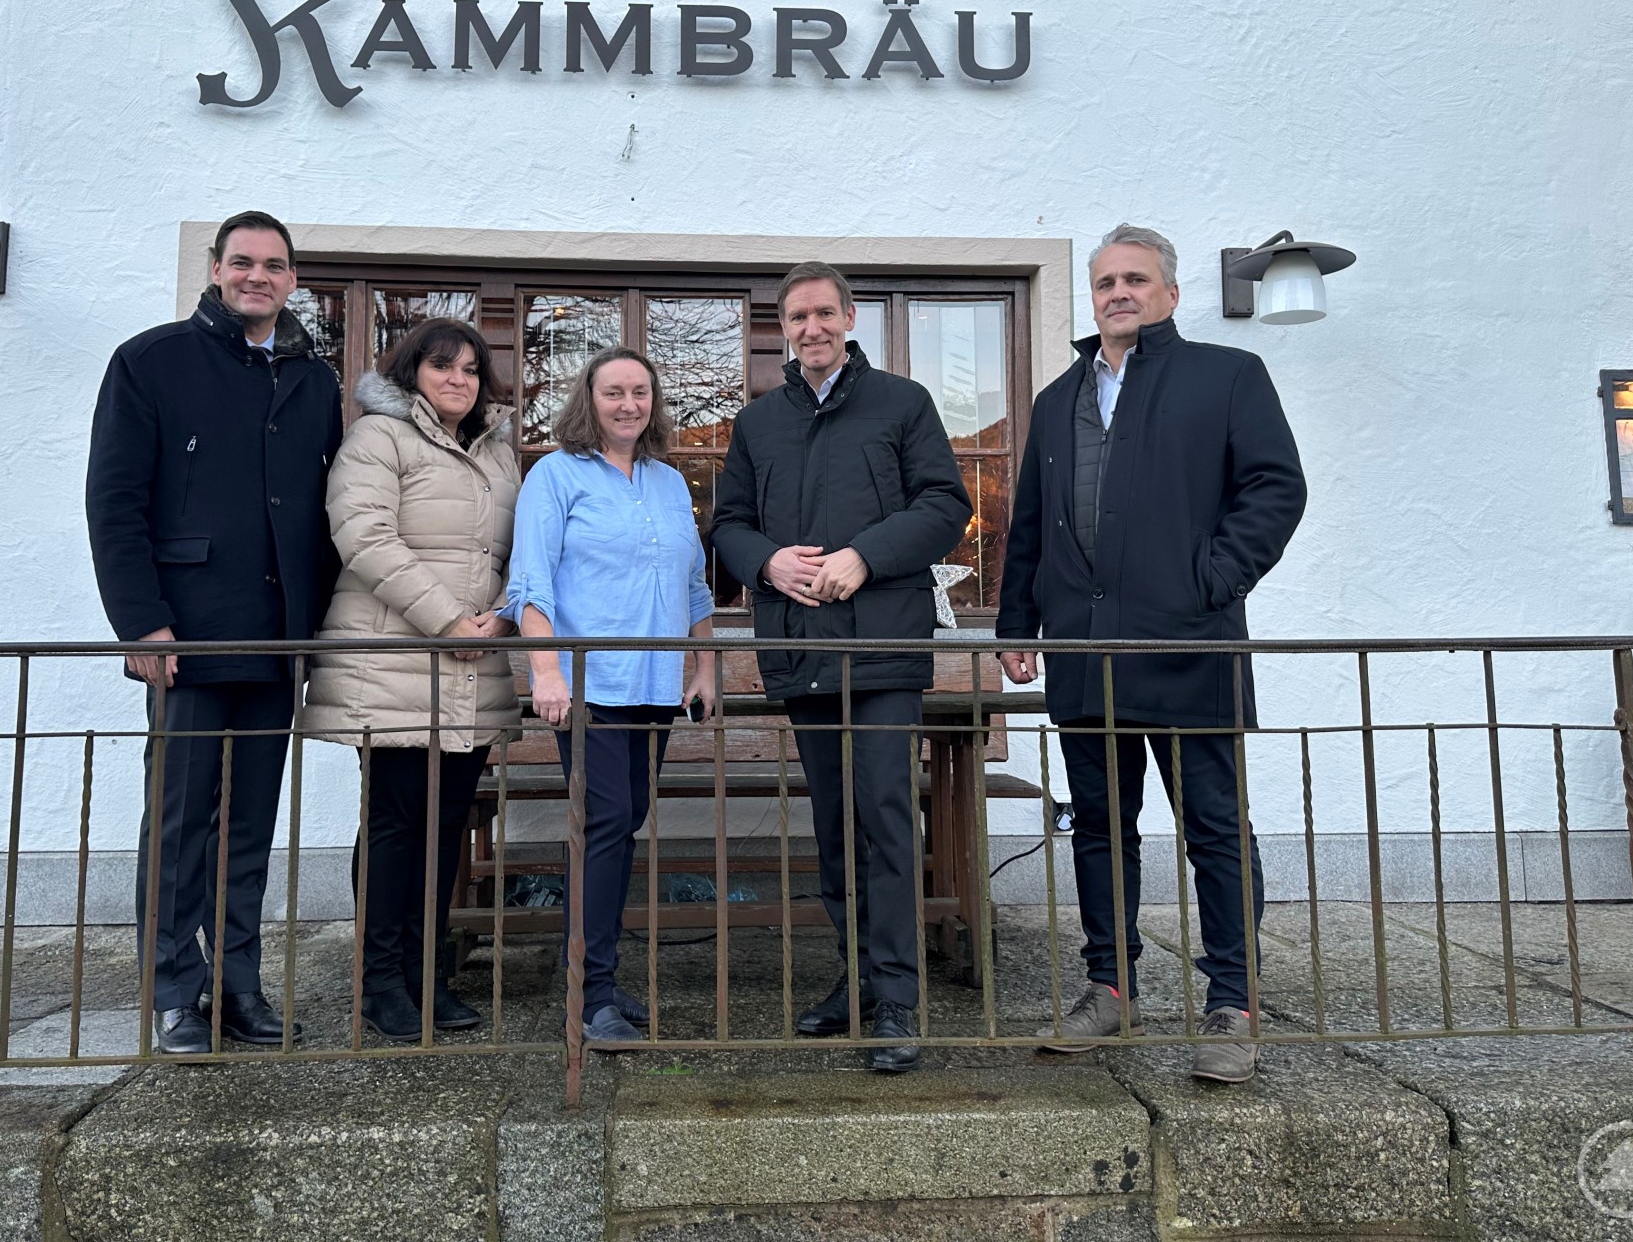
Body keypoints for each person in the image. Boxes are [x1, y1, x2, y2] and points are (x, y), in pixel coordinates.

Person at [996, 224, 1306, 1084]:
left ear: (1170, 293)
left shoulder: (1228, 376)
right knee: (1098, 829)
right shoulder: (1057, 400)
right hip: (1084, 654)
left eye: (1135, 279)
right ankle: (1109, 989)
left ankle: (1233, 1003)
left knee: (1214, 830)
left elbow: (1276, 489)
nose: (1119, 293)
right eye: (1105, 283)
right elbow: (1030, 523)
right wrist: (1017, 625)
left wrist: (1212, 579)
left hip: (1190, 647)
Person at [86, 210, 342, 1053]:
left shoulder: (315, 381)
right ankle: (172, 993)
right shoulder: (150, 361)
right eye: (242, 262)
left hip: (276, 638)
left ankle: (238, 987)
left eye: (273, 265)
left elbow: (320, 513)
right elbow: (114, 502)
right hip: (186, 640)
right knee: (179, 822)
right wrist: (141, 623)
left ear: (292, 280)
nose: (256, 276)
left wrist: (315, 630)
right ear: (216, 268)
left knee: (250, 828)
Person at [711, 262, 971, 1074]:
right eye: (797, 317)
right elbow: (728, 523)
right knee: (834, 827)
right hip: (801, 650)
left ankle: (896, 998)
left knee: (885, 820)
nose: (812, 328)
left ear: (850, 318)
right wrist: (766, 562)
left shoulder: (903, 403)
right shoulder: (759, 423)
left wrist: (866, 555)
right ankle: (856, 980)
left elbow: (945, 507)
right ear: (783, 329)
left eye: (825, 313)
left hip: (882, 653)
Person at [301, 317, 521, 1041]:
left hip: (472, 666)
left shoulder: (496, 453)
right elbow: (365, 537)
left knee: (445, 826)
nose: (458, 380)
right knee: (396, 826)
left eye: (470, 369)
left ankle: (429, 977)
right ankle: (381, 982)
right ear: (412, 373)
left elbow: (516, 551)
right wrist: (447, 620)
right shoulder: (379, 438)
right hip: (392, 661)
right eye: (442, 366)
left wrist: (501, 616)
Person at [504, 347, 716, 1045]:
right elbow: (531, 580)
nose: (629, 404)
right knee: (604, 822)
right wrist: (546, 671)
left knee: (624, 823)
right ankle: (589, 993)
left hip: (655, 685)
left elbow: (693, 583)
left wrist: (705, 666)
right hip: (589, 685)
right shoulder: (555, 476)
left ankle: (599, 976)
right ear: (588, 400)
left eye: (640, 392)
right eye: (613, 392)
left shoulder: (667, 482)